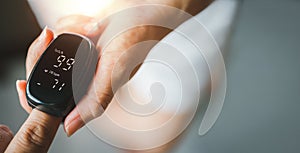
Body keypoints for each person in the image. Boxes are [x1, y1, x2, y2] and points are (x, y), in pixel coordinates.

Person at [1, 0, 212, 152]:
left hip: (177, 42)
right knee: (110, 111)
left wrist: (160, 10)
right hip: (73, 17)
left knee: (159, 125)